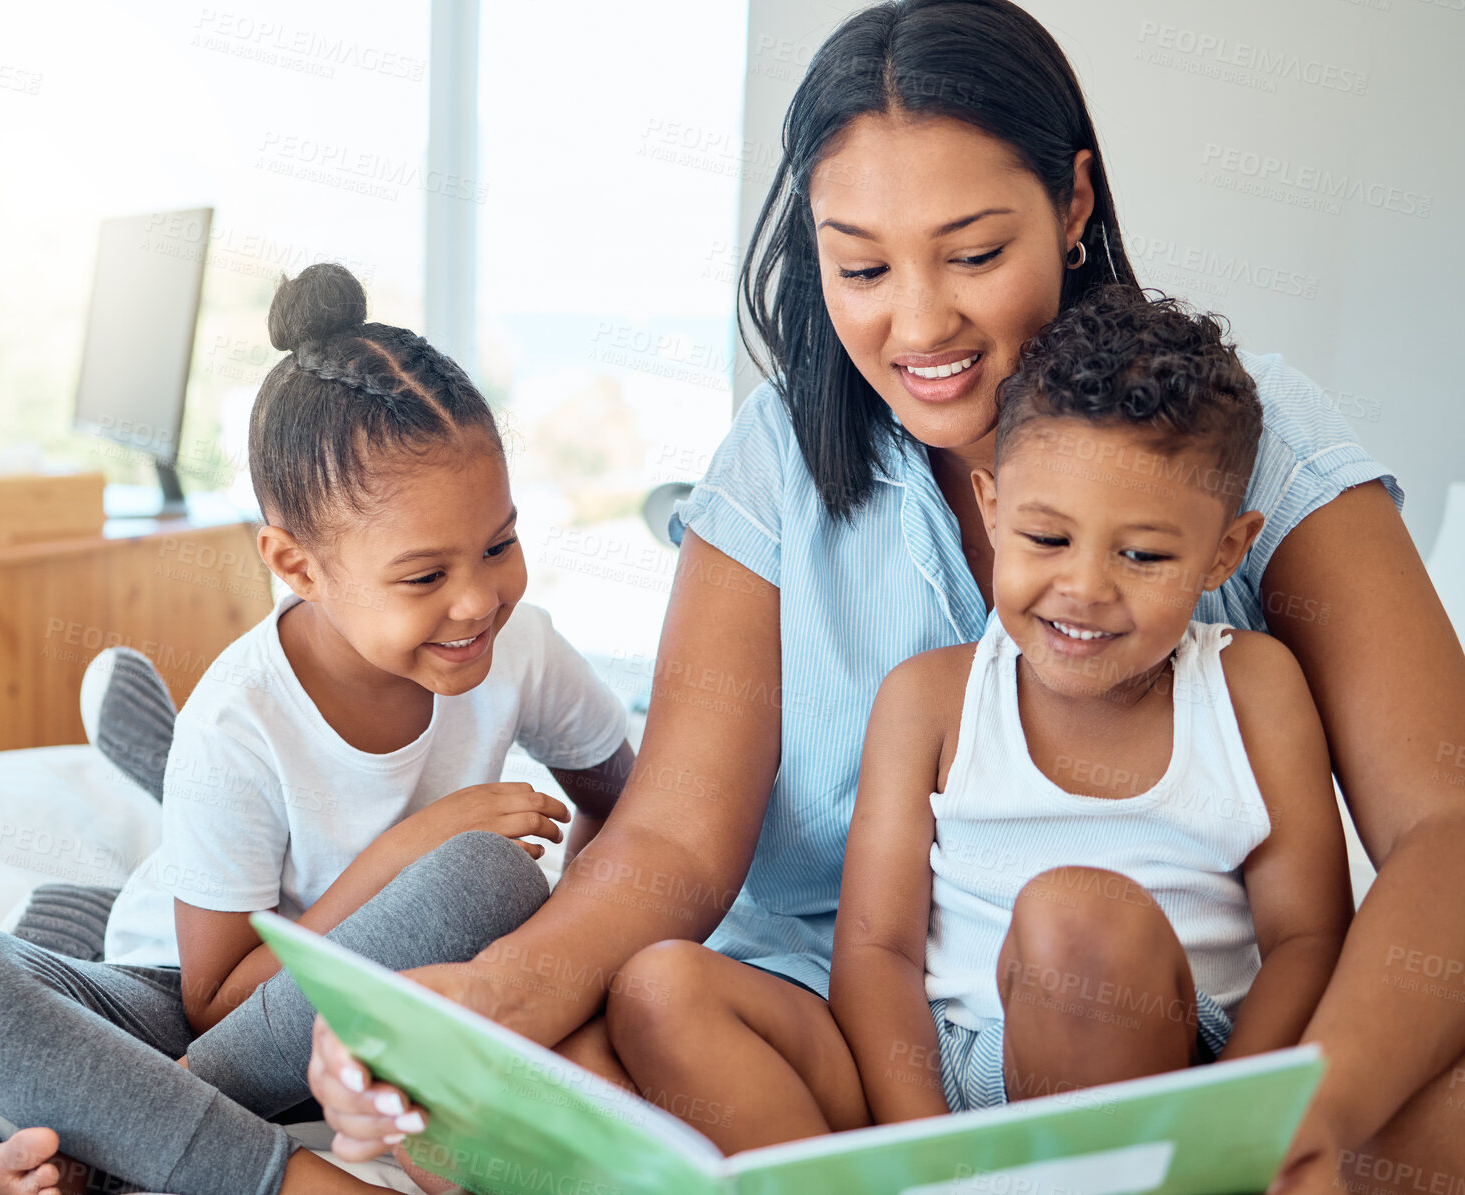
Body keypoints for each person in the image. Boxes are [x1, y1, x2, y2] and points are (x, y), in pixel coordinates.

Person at [308, 2, 1465, 1190]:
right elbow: (668, 840)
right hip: (852, 1049)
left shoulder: (1239, 434)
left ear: (1071, 205)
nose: (918, 325)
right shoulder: (776, 460)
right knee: (464, 1111)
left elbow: (1445, 826)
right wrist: (486, 998)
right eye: (859, 265)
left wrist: (1315, 1103)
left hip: (1164, 1030)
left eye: (971, 254)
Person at [0, 262, 634, 1195]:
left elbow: (635, 809)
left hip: (383, 1014)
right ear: (297, 565)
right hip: (197, 1010)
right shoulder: (240, 715)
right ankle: (278, 1176)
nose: (479, 599)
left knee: (493, 877)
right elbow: (212, 1007)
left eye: (501, 543)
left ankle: (130, 1141)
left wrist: (562, 947)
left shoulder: (521, 645)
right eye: (423, 577)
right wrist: (406, 849)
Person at [617, 284, 1356, 1147]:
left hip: (1165, 1073)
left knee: (1075, 922)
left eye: (1144, 554)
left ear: (1224, 551)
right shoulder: (931, 698)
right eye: (1047, 539)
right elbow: (876, 952)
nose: (1085, 588)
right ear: (995, 511)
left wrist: (1230, 1127)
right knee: (659, 988)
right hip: (949, 1067)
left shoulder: (1253, 688)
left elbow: (1309, 937)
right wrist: (923, 1142)